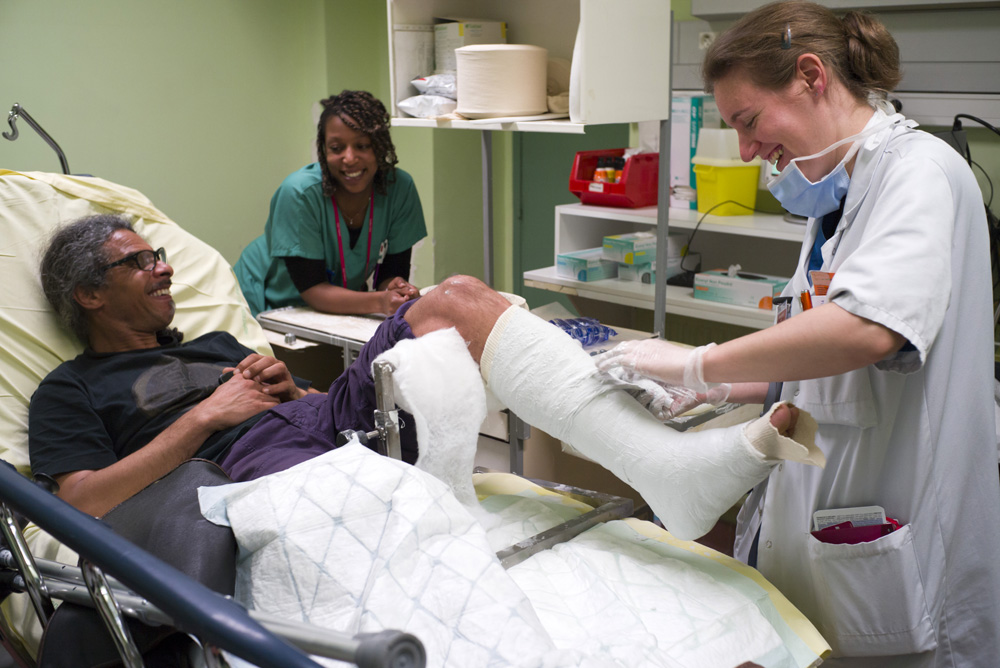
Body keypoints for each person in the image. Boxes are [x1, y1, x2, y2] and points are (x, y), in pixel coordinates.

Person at [596, 2, 1000, 665]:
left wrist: (702, 363)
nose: (749, 151)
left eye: (749, 123)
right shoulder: (837, 194)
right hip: (826, 525)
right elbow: (833, 365)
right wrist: (720, 393)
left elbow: (869, 330)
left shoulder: (918, 174)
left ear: (810, 75)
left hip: (904, 551)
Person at [30, 214, 812, 542]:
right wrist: (208, 416)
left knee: (463, 299)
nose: (162, 266)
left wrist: (283, 387)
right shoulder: (70, 389)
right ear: (88, 294)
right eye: (136, 262)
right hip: (236, 465)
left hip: (313, 417)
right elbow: (80, 502)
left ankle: (657, 466)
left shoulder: (212, 338)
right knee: (375, 509)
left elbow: (303, 404)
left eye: (157, 254)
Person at [235, 90, 425, 317]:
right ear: (324, 150)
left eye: (363, 146)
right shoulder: (299, 193)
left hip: (336, 308)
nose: (350, 158)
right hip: (265, 299)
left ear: (380, 146)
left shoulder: (399, 189)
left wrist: (396, 290)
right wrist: (381, 302)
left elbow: (391, 274)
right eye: (336, 148)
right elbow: (312, 288)